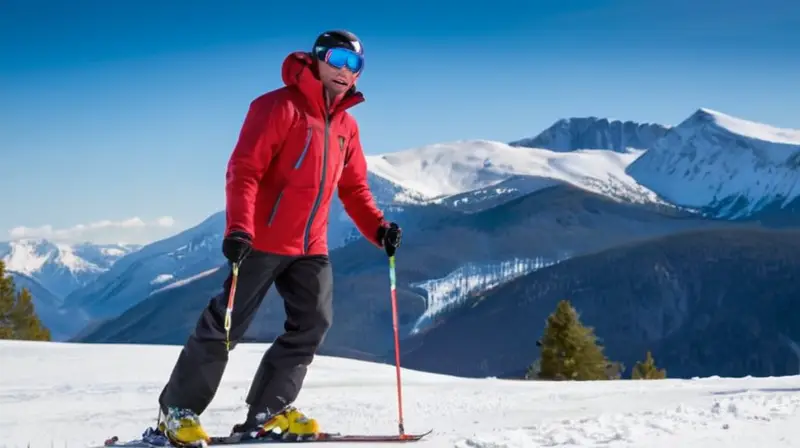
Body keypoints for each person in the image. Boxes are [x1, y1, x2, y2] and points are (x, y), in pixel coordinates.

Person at [154, 29, 402, 446]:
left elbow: (354, 189)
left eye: (355, 64)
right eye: (337, 60)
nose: (345, 71)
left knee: (314, 322)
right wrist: (238, 227)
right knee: (227, 324)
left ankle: (268, 412)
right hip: (261, 239)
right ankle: (176, 412)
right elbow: (244, 171)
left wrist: (378, 229)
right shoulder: (277, 107)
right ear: (318, 59)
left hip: (311, 246)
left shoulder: (346, 126)